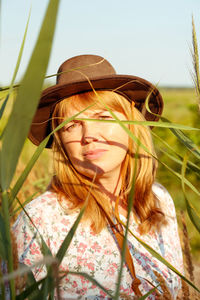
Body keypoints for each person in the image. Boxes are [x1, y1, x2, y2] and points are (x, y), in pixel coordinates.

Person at [13, 54, 184, 299]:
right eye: (72, 124)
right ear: (60, 141)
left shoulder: (159, 200)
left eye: (104, 117)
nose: (89, 135)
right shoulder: (40, 221)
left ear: (132, 125)